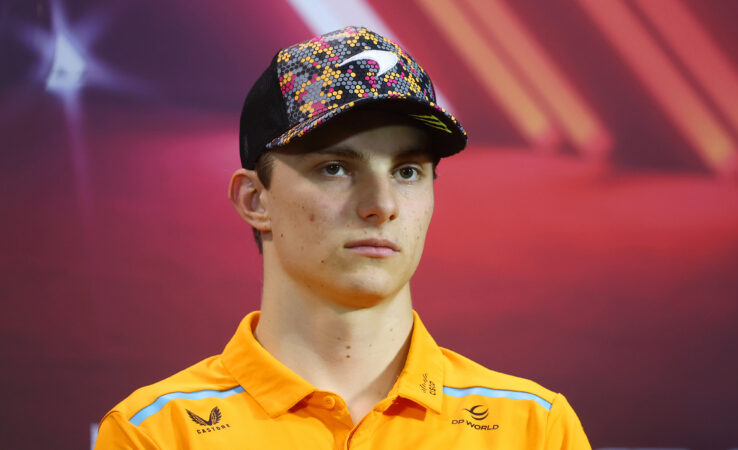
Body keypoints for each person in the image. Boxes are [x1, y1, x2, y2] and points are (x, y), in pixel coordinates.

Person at [94, 26, 591, 449]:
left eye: (408, 171)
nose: (382, 204)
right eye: (335, 167)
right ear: (255, 200)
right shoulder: (158, 434)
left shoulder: (533, 429)